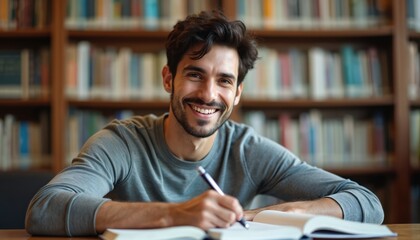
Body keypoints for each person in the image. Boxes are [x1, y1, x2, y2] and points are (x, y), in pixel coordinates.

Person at [25, 10, 384, 236]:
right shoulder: (121, 143)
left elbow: (366, 202)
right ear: (169, 79)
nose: (208, 94)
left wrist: (279, 212)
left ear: (238, 93)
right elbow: (45, 210)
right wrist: (176, 215)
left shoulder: (248, 149)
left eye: (224, 81)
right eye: (195, 75)